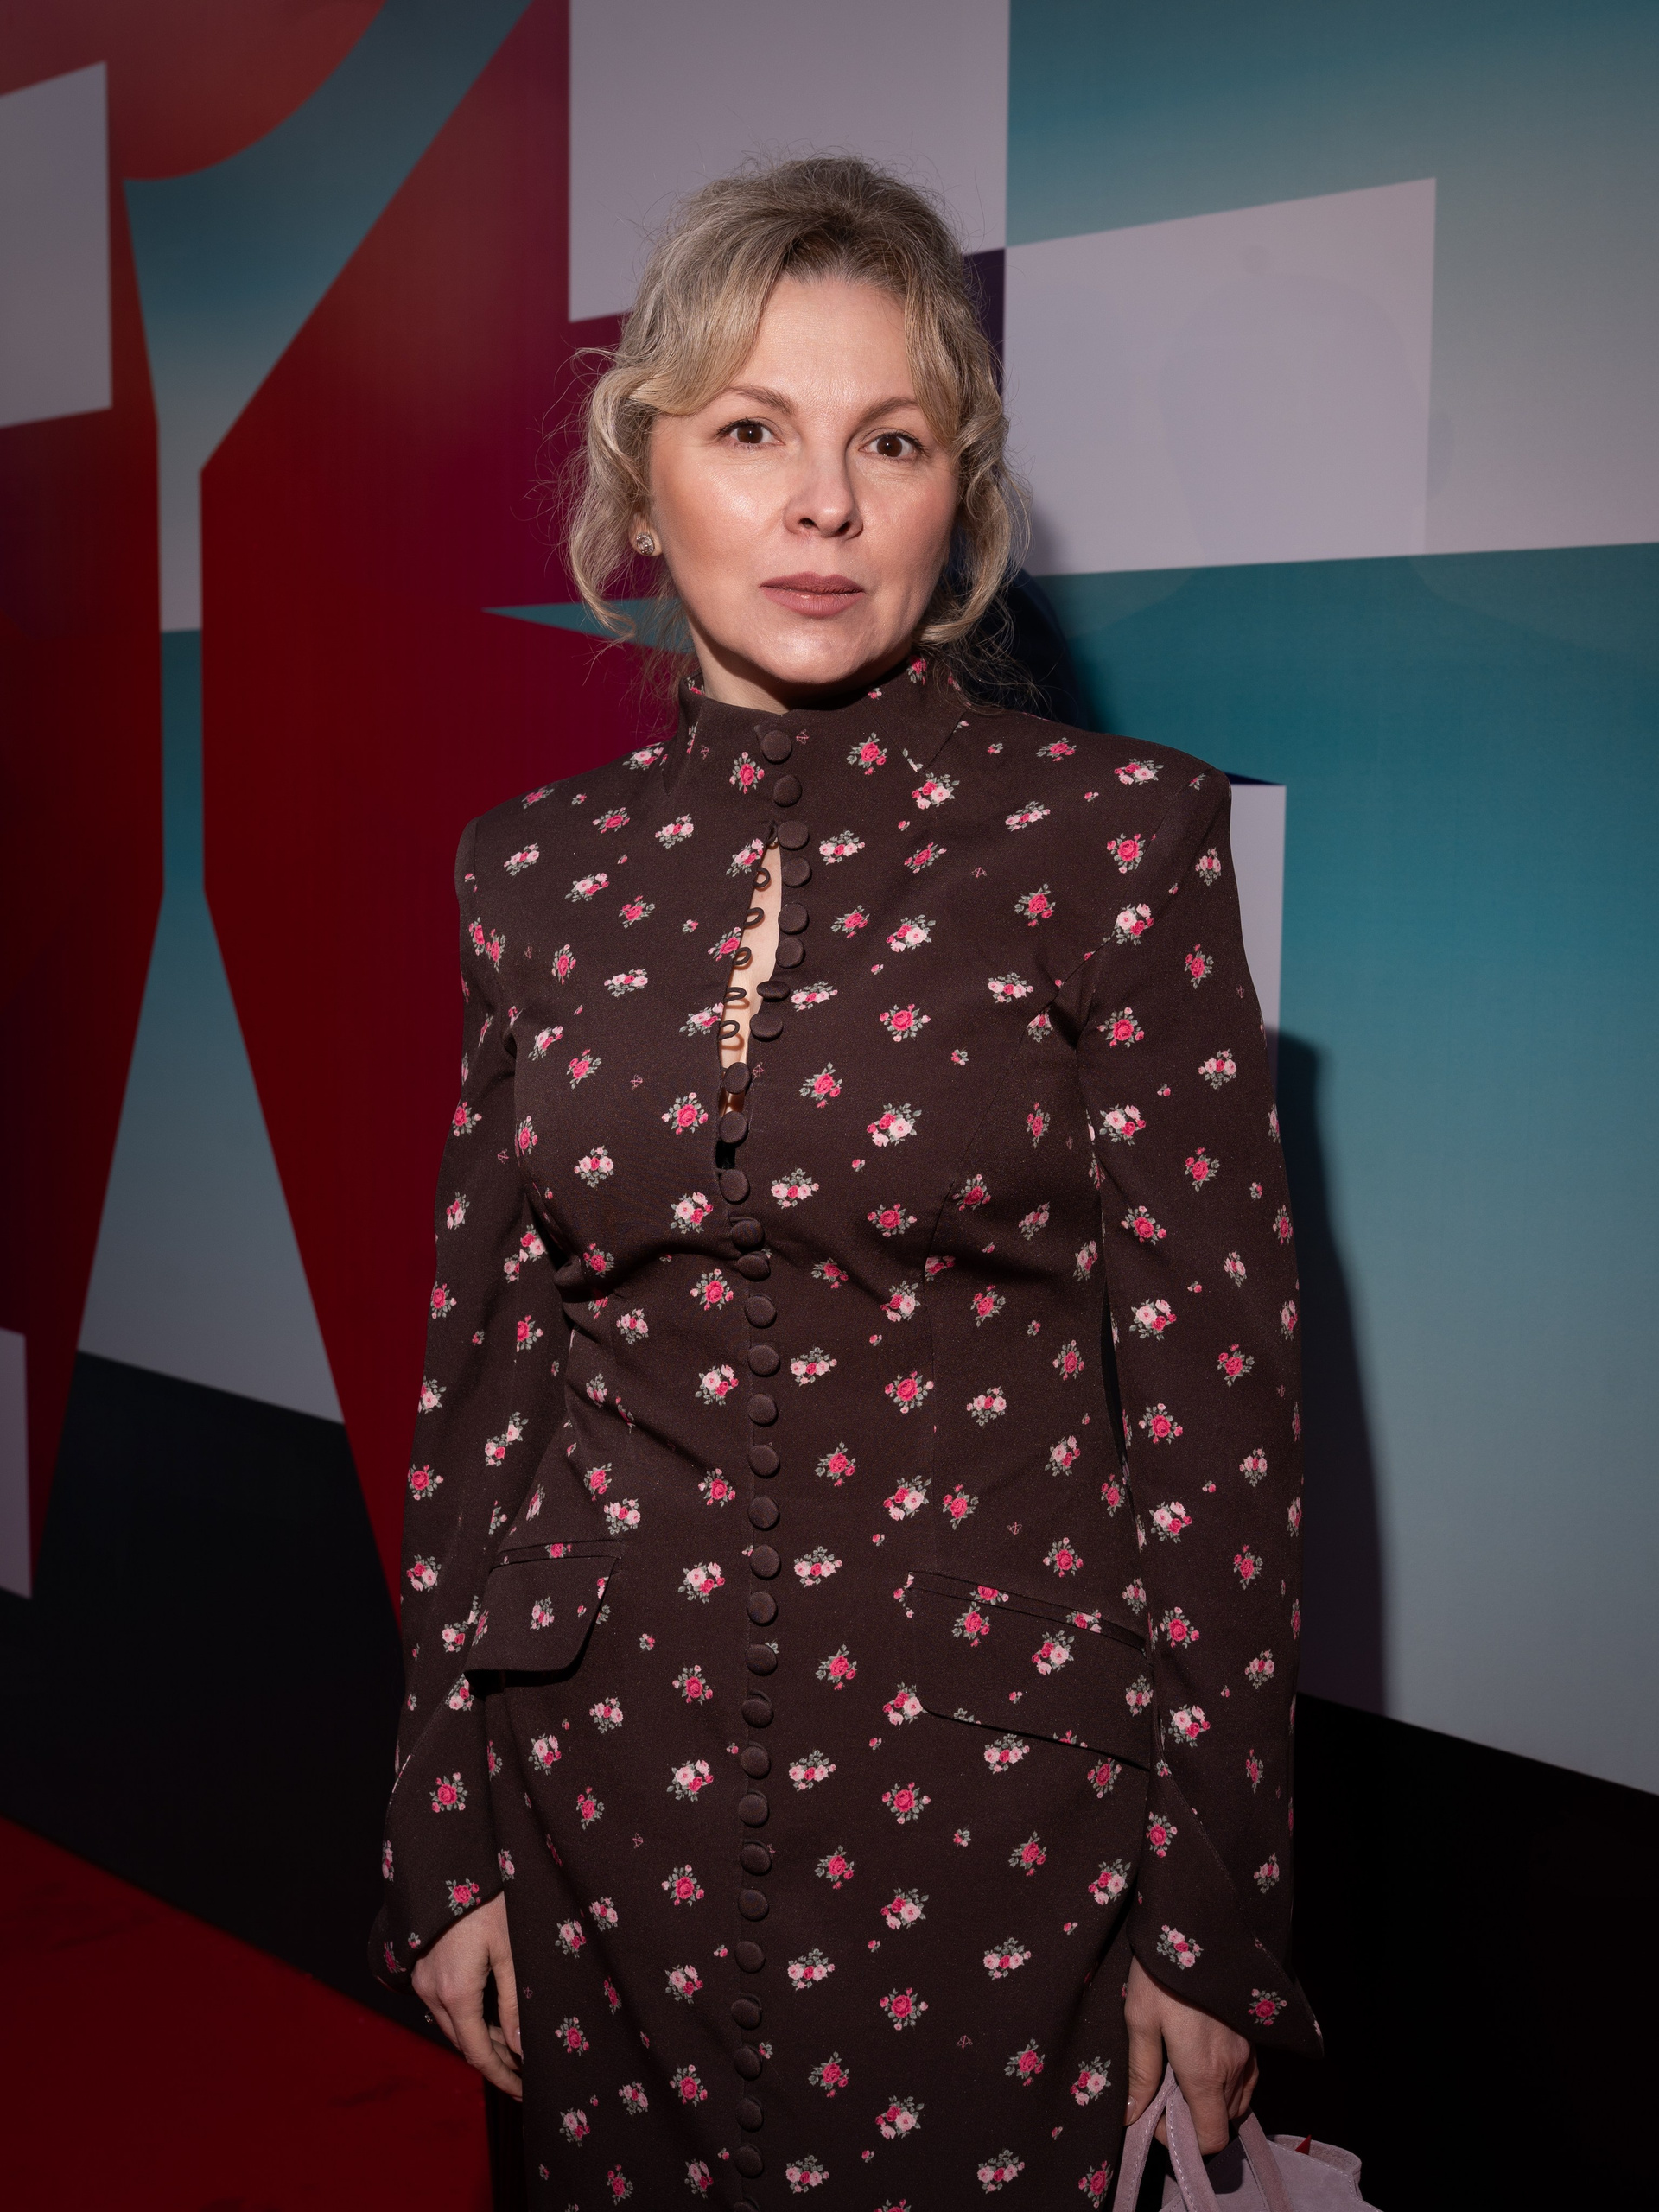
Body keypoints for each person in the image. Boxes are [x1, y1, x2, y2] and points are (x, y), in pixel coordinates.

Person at [372, 155, 1318, 2208]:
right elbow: (484, 1385)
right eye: (751, 432)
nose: (823, 504)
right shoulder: (532, 870)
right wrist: (446, 1825)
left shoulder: (1119, 844)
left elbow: (1218, 1424)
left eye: (889, 440)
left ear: (956, 492)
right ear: (642, 477)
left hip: (992, 1836)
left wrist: (1214, 1904)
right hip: (598, 1796)